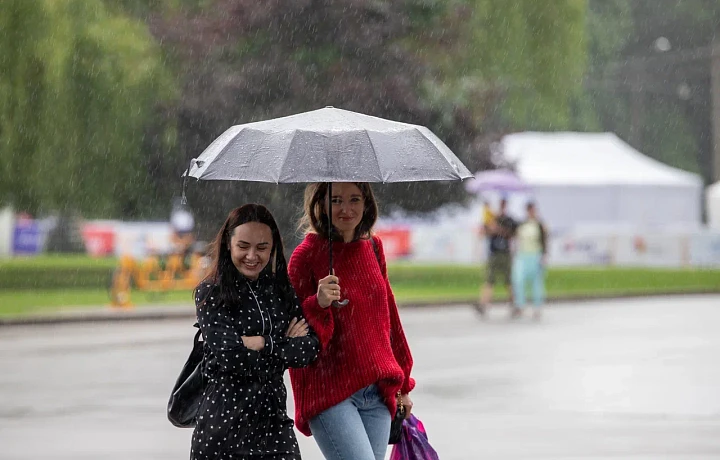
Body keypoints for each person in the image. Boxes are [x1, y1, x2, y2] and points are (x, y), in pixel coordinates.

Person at [287, 182, 415, 460]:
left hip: (377, 391)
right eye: (336, 200)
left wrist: (403, 383)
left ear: (367, 203)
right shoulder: (305, 256)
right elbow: (290, 332)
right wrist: (318, 303)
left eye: (355, 199)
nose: (346, 209)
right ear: (320, 204)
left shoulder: (373, 247)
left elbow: (388, 318)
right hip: (331, 394)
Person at [191, 204, 320, 460]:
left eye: (262, 248)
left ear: (272, 248)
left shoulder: (280, 290)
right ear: (229, 244)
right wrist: (284, 345)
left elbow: (310, 349)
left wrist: (262, 343)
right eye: (243, 246)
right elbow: (232, 358)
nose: (252, 255)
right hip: (223, 428)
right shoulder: (211, 293)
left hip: (275, 425)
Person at [476, 197, 518, 317]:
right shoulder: (492, 219)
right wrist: (489, 227)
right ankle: (483, 304)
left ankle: (514, 304)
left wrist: (498, 229)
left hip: (504, 253)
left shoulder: (509, 220)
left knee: (508, 281)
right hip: (493, 253)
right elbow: (483, 233)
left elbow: (512, 234)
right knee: (489, 280)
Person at [511, 201, 548, 320]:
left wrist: (544, 255)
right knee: (519, 280)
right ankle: (520, 305)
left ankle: (537, 307)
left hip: (535, 255)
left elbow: (544, 241)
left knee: (536, 282)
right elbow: (515, 237)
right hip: (522, 255)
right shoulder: (522, 224)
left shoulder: (539, 224)